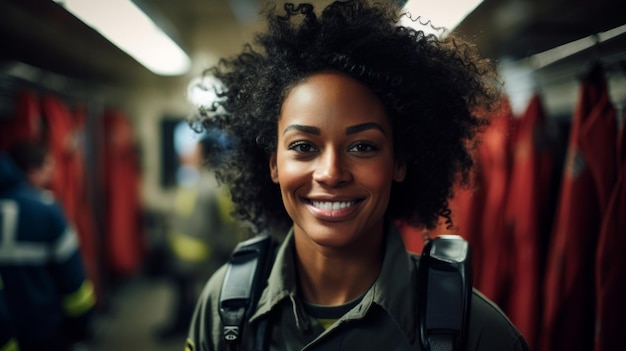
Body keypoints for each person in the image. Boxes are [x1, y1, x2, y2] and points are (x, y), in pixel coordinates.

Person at [185, 1, 529, 350]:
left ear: (399, 162)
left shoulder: (479, 333)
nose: (331, 173)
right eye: (304, 146)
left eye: (363, 147)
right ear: (273, 163)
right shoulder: (224, 308)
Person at [0, 141, 96, 351]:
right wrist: (81, 326)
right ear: (31, 171)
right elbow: (73, 280)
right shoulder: (46, 210)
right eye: (47, 168)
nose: (52, 176)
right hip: (44, 328)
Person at [158, 126, 244, 339]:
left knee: (201, 298)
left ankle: (200, 332)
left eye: (194, 152)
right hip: (197, 255)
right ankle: (194, 330)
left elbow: (223, 221)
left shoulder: (201, 184)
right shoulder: (213, 183)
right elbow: (228, 221)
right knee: (195, 297)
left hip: (197, 256)